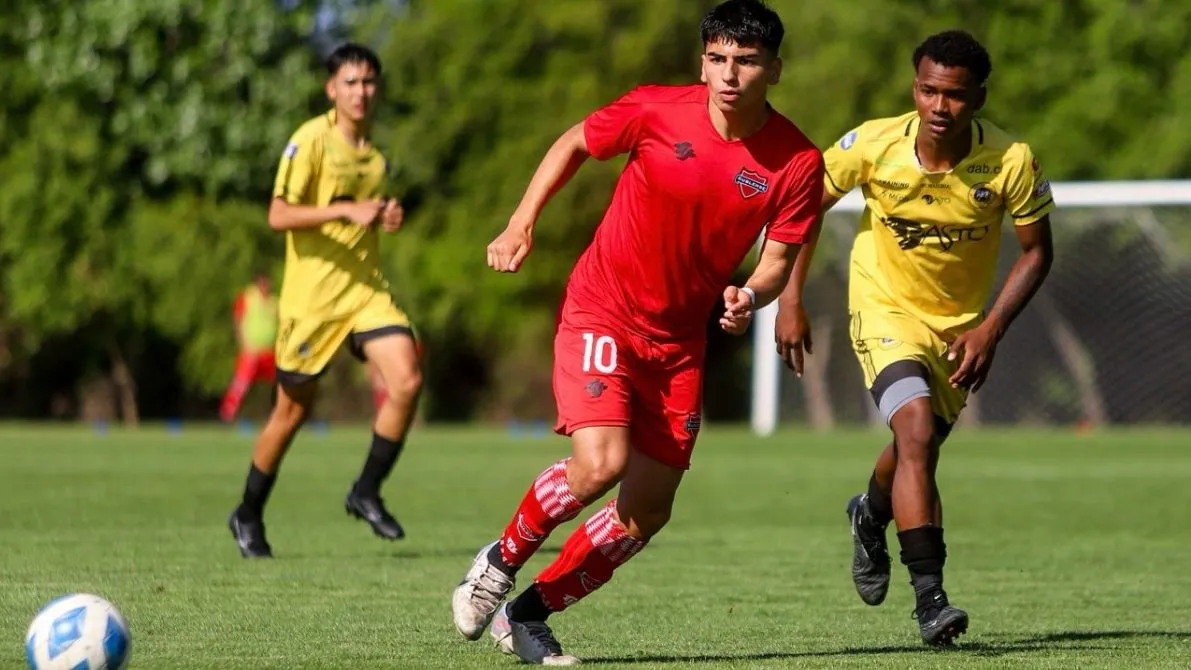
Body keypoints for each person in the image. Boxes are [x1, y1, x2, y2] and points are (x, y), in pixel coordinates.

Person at [450, 1, 823, 664]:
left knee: (646, 512)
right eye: (717, 59)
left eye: (745, 61)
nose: (728, 74)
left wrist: (749, 295)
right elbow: (573, 142)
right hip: (604, 310)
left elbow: (776, 260)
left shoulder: (796, 161)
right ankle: (497, 564)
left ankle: (528, 613)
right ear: (701, 63)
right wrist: (521, 221)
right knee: (602, 463)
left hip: (678, 345)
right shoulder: (655, 109)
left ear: (774, 69)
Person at [776, 30, 1055, 646]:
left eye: (953, 95)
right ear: (915, 88)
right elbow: (801, 206)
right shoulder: (874, 144)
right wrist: (789, 298)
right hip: (883, 310)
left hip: (960, 329)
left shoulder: (1011, 161)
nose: (938, 106)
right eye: (928, 90)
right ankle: (931, 600)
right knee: (918, 432)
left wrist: (990, 328)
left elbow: (1037, 252)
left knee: (916, 449)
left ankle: (869, 513)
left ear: (978, 98)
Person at [227, 43, 423, 559]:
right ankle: (248, 512)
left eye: (369, 81)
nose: (361, 92)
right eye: (351, 82)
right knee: (290, 414)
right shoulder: (310, 141)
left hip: (365, 293)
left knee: (407, 380)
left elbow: (363, 212)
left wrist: (385, 215)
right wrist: (346, 212)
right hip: (312, 302)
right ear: (331, 88)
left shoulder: (376, 156)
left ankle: (366, 491)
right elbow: (278, 214)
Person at [219, 274, 279, 423]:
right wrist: (242, 342)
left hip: (269, 351)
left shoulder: (274, 301)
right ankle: (228, 413)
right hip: (251, 350)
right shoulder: (247, 297)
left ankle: (279, 413)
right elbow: (237, 319)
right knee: (241, 382)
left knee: (281, 382)